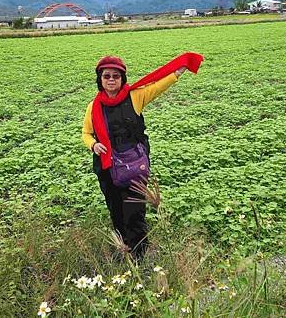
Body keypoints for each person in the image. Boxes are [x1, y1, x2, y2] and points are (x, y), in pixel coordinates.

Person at [81, 53, 203, 259]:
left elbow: (159, 85)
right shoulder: (94, 107)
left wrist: (180, 70)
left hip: (134, 163)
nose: (111, 80)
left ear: (122, 79)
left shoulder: (135, 97)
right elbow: (86, 133)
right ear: (100, 80)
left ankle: (139, 256)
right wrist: (93, 145)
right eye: (106, 76)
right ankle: (123, 248)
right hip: (107, 166)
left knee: (134, 212)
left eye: (116, 76)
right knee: (116, 210)